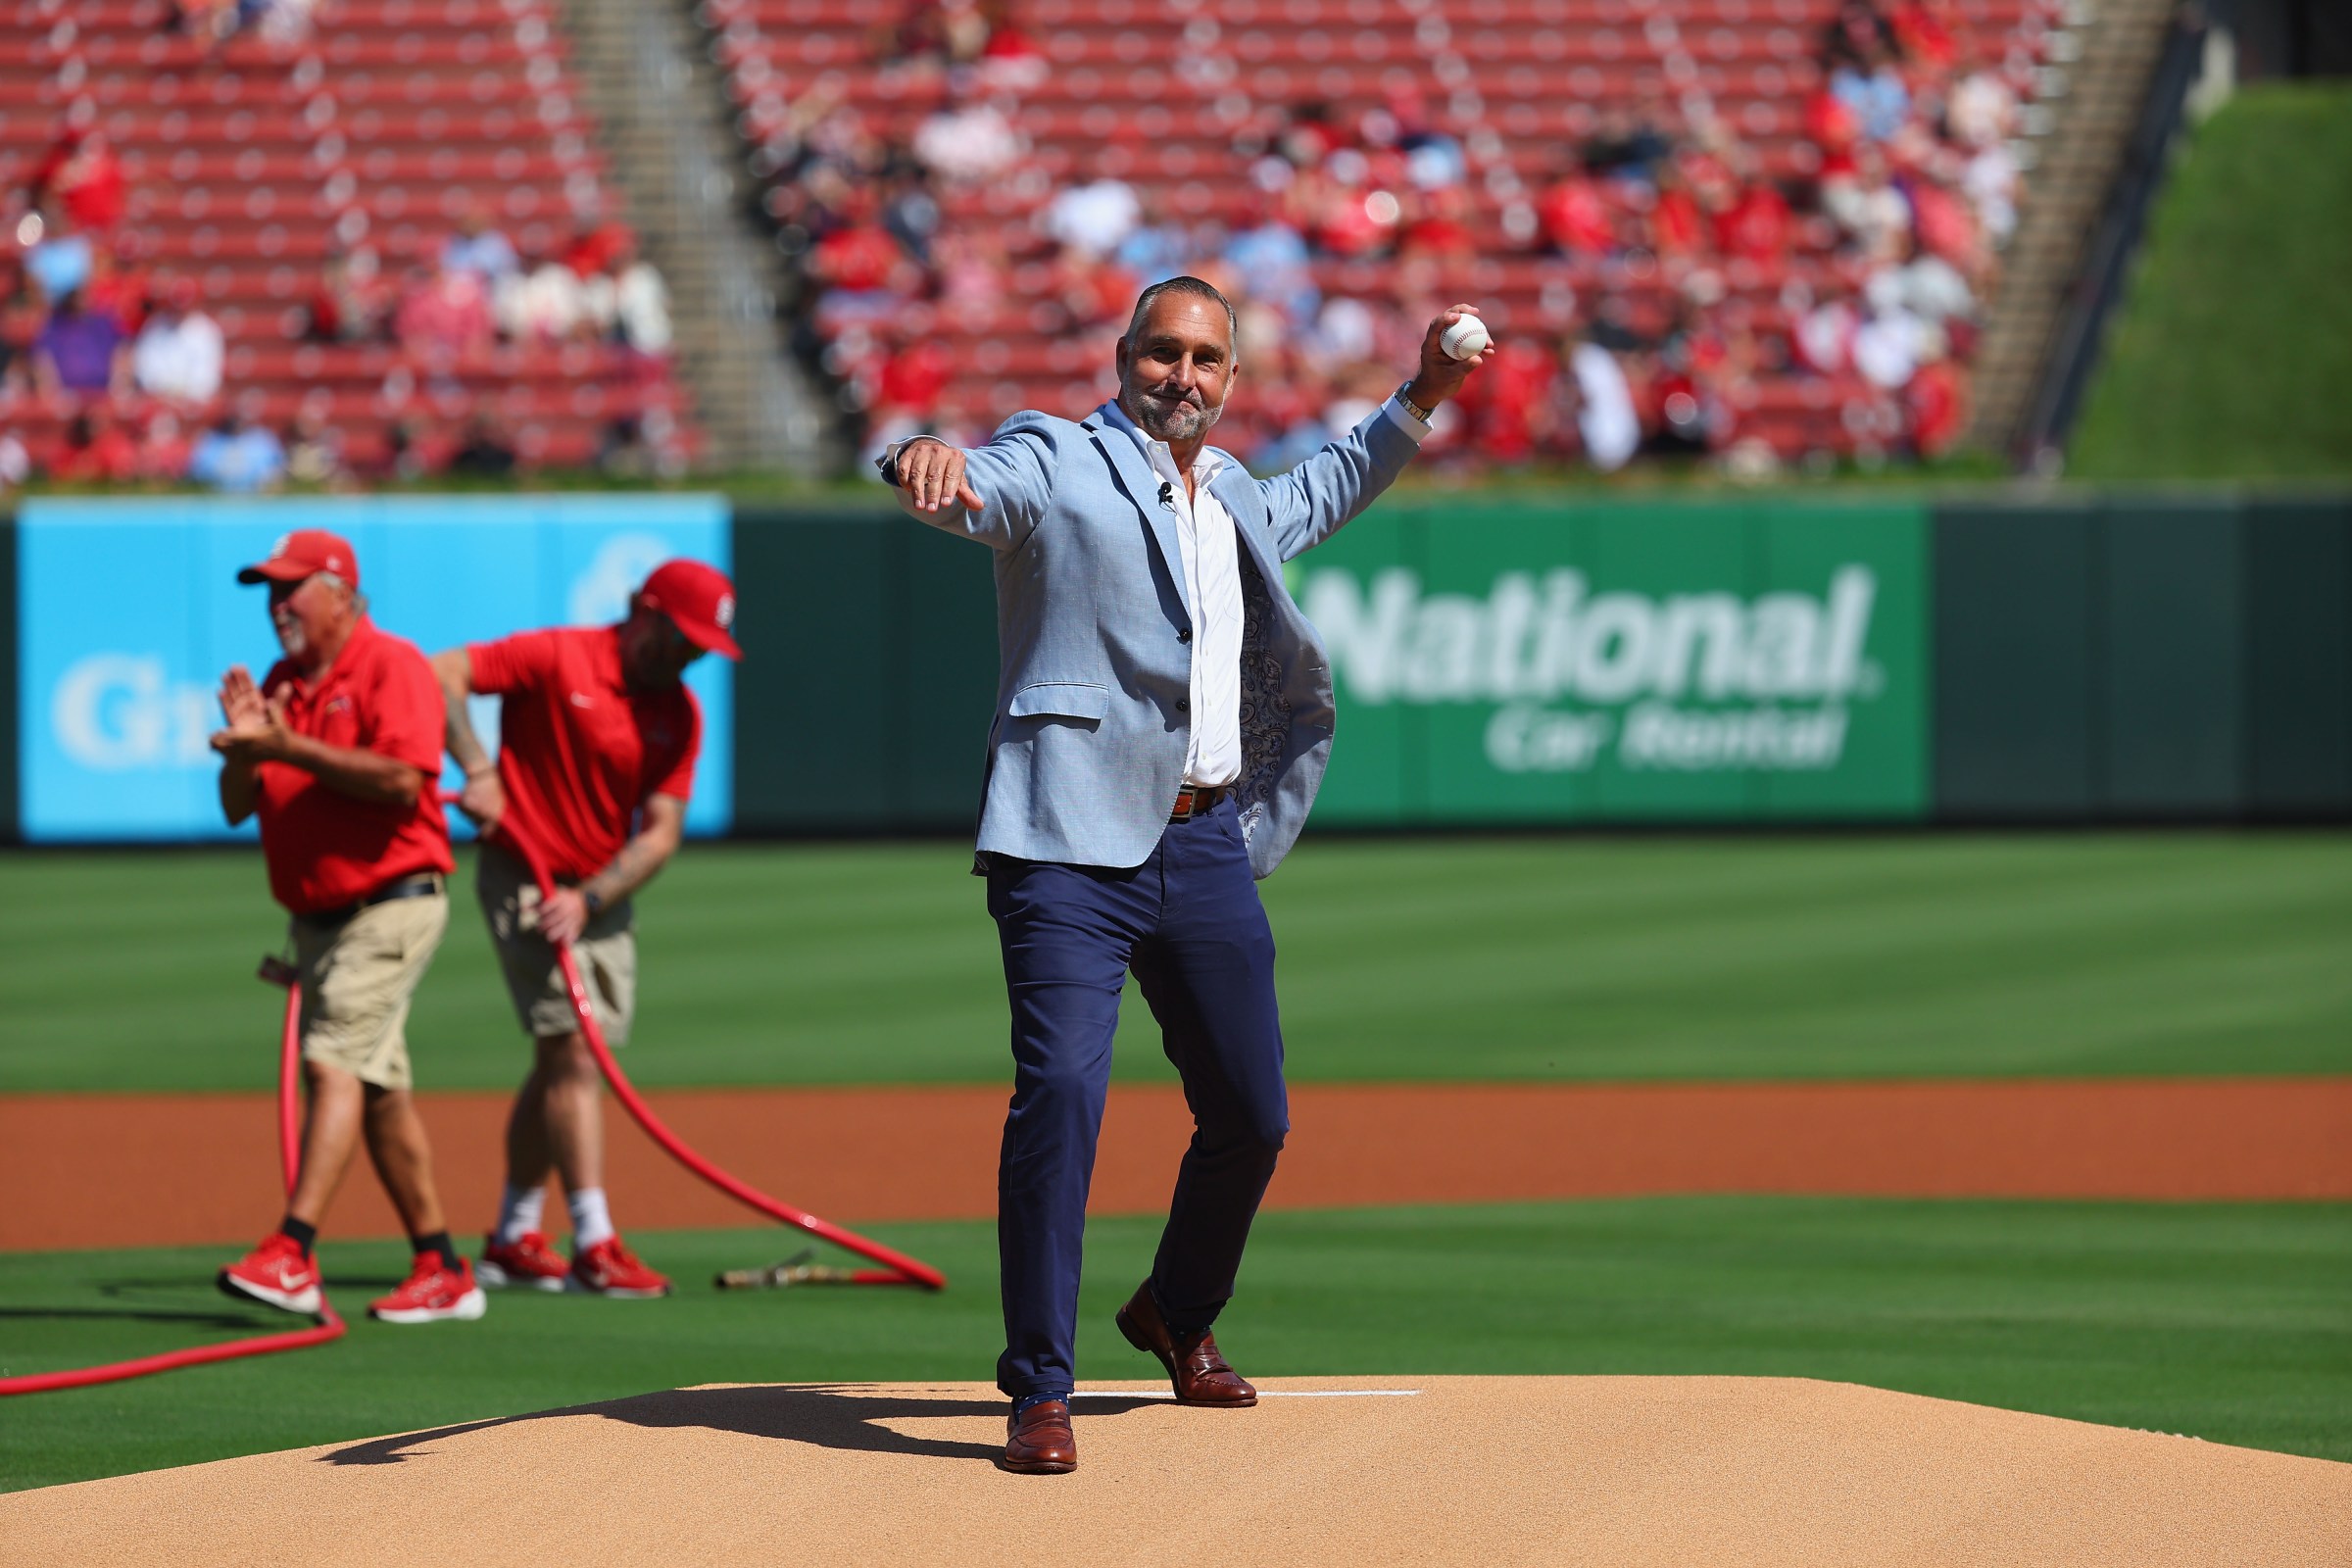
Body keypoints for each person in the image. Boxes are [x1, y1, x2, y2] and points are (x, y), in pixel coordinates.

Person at [880, 276, 1487, 1473]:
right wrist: (920, 454)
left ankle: (1175, 1310)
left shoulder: (1240, 495)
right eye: (1164, 353)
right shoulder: (1058, 455)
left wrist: (1423, 394)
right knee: (1061, 1098)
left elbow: (1329, 482)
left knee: (1253, 1115)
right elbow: (979, 488)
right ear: (1122, 358)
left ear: (1232, 377)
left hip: (1204, 840)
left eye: (1208, 360)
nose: (1184, 376)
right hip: (1066, 842)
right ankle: (1040, 1386)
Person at [430, 560, 741, 1298]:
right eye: (680, 637)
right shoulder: (559, 654)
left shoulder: (679, 714)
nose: (689, 656)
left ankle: (511, 1234)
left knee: (558, 1063)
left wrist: (593, 898)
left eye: (701, 646)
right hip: (524, 880)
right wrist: (477, 766)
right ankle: (595, 1241)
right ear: (643, 612)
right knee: (572, 1053)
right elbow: (441, 672)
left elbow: (661, 832)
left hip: (595, 899)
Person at [213, 530, 484, 1326]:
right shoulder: (283, 682)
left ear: (340, 592)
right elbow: (239, 804)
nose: (276, 607)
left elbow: (404, 780)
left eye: (290, 589)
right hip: (321, 919)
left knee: (331, 1064)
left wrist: (283, 742)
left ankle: (293, 1251)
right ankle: (441, 1264)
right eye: (268, 592)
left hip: (389, 903)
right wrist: (242, 747)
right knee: (378, 1093)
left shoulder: (390, 663)